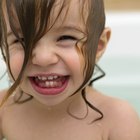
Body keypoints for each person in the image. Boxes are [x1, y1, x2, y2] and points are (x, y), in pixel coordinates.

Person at [0, 0, 140, 140]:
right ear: (3, 45)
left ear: (98, 45)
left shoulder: (117, 121)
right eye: (22, 40)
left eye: (66, 37)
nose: (43, 58)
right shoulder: (3, 109)